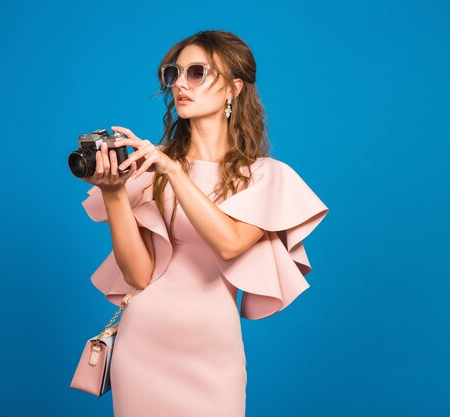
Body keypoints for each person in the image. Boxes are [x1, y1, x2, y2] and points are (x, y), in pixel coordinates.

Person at [79, 30, 329, 416]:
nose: (180, 83)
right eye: (173, 73)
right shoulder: (151, 170)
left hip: (213, 355)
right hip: (143, 347)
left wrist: (175, 172)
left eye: (197, 72)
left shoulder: (265, 177)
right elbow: (138, 276)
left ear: (233, 87)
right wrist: (114, 194)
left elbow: (229, 243)